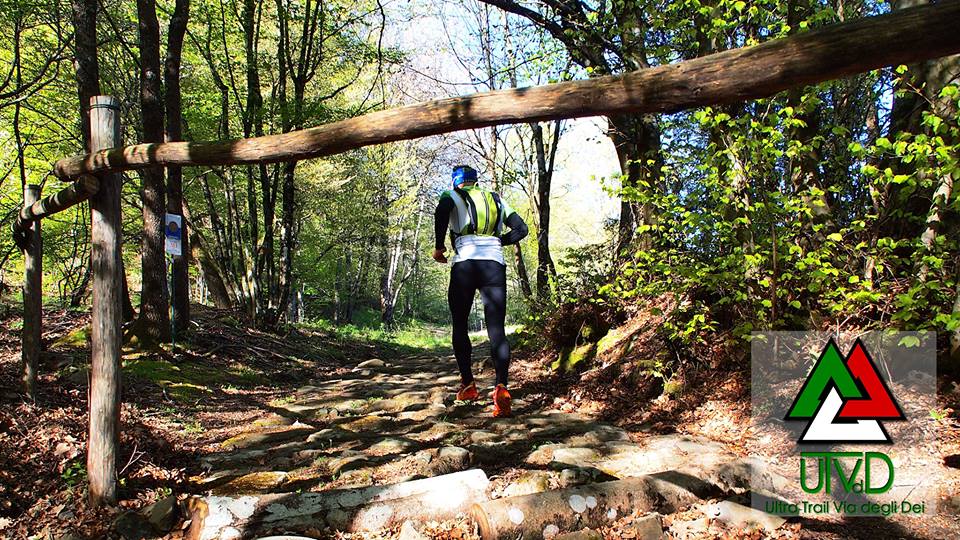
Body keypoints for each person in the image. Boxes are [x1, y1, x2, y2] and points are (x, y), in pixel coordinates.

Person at [433, 165, 528, 418]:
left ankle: (468, 385)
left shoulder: (450, 196)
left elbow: (441, 213)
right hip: (494, 265)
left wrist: (439, 247)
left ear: (456, 181)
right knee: (496, 329)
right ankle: (501, 388)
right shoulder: (496, 199)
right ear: (475, 181)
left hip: (465, 263)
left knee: (460, 324)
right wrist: (498, 240)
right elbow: (522, 229)